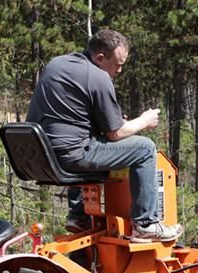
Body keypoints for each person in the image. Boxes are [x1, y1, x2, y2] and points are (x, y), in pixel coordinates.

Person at [26, 29, 181, 243]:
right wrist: (144, 121)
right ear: (100, 58)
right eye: (118, 64)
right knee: (144, 148)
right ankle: (146, 224)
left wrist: (115, 123)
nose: (120, 70)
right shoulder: (98, 77)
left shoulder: (57, 64)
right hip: (71, 155)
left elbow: (72, 117)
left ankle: (79, 215)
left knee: (84, 142)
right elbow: (115, 133)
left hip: (43, 154)